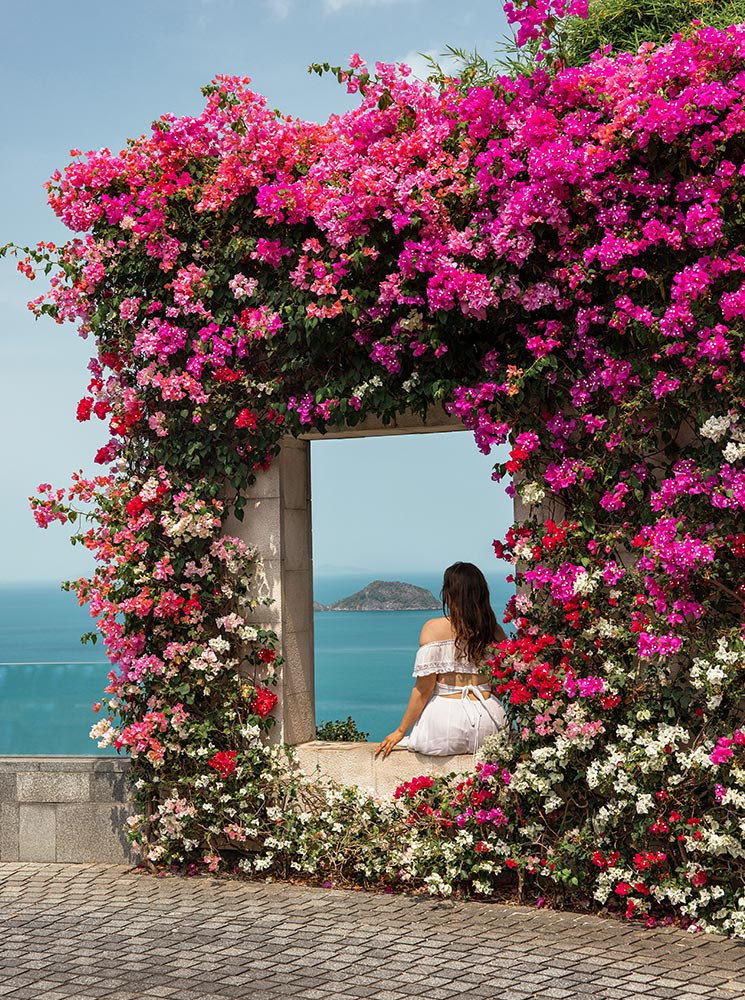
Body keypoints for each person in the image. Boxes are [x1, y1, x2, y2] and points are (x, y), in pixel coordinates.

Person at [375, 562, 508, 758]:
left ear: (449, 593)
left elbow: (423, 688)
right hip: (490, 719)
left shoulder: (433, 628)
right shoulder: (495, 631)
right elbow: (501, 685)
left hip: (445, 723)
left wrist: (400, 731)